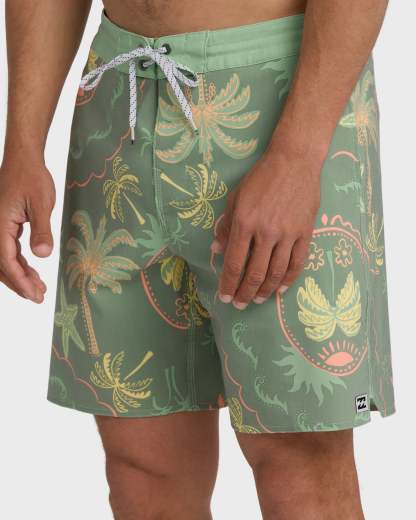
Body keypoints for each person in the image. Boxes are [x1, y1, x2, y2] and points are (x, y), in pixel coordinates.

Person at [1, 0, 395, 518]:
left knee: (300, 463)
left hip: (279, 101)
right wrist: (22, 146)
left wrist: (298, 155)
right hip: (120, 98)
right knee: (143, 468)